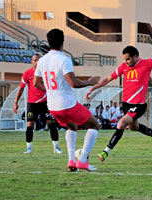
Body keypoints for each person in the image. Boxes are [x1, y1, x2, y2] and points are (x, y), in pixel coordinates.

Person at [85, 44, 152, 162]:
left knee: (121, 124)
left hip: (138, 105)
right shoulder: (123, 67)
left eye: (128, 59)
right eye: (124, 59)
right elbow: (107, 79)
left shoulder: (147, 63)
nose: (126, 62)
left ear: (135, 57)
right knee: (134, 127)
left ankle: (105, 152)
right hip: (126, 105)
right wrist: (92, 89)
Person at [33, 28, 100, 172]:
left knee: (71, 126)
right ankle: (82, 160)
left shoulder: (42, 60)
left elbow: (36, 83)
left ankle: (71, 161)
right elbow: (73, 83)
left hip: (53, 106)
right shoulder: (64, 59)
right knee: (94, 125)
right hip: (67, 104)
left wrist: (52, 91)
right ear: (62, 42)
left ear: (48, 42)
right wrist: (90, 82)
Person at [13, 54, 62, 154]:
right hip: (32, 103)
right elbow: (21, 88)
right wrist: (15, 102)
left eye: (39, 60)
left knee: (51, 123)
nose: (37, 62)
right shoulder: (27, 74)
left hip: (46, 102)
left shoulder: (47, 73)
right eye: (35, 60)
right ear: (32, 61)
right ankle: (29, 148)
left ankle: (56, 147)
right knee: (30, 124)